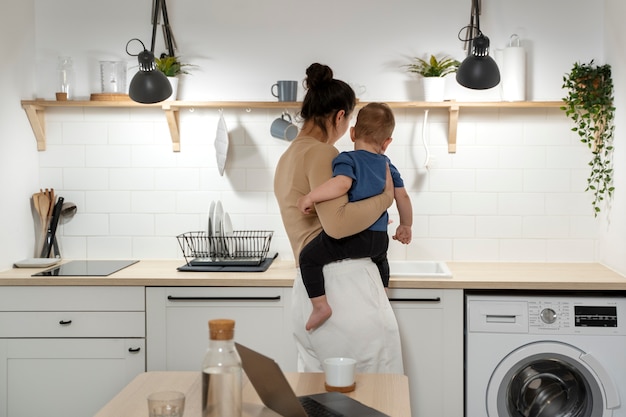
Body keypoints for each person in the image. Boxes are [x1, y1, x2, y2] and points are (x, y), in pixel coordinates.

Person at [274, 63, 404, 374]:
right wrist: (385, 200)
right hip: (345, 291)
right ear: (340, 116)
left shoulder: (287, 156)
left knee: (318, 396)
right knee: (374, 393)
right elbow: (339, 223)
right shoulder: (323, 154)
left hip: (310, 290)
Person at [297, 102, 413, 331]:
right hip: (379, 239)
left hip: (354, 238)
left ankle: (320, 306)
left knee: (308, 257)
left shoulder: (347, 159)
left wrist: (310, 197)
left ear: (352, 133)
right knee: (381, 260)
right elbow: (403, 197)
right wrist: (406, 225)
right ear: (387, 142)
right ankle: (382, 296)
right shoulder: (388, 166)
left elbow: (340, 185)